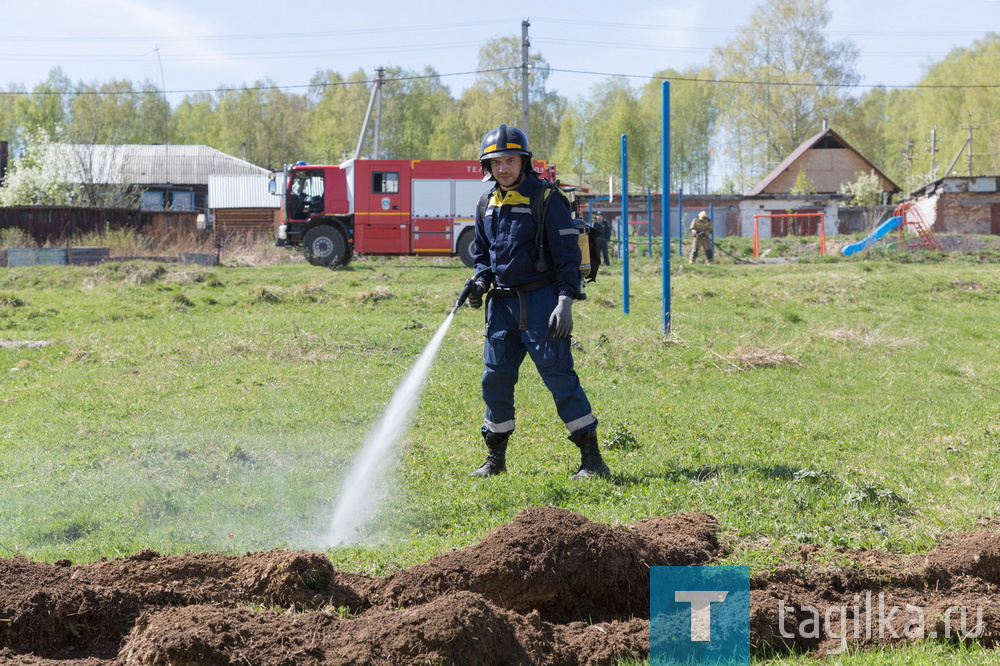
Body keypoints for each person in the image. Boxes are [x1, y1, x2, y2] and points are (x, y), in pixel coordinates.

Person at [463, 123, 609, 480]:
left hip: (544, 303)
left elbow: (566, 257)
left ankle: (592, 460)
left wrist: (565, 301)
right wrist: (480, 279)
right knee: (494, 379)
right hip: (502, 307)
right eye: (496, 162)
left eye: (510, 160)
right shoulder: (486, 203)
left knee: (559, 377)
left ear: (524, 162)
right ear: (488, 167)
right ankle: (495, 459)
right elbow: (482, 253)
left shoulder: (547, 199)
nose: (503, 168)